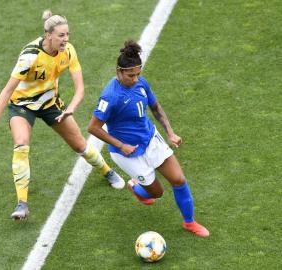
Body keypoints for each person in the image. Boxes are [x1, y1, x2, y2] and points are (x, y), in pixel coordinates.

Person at [0, 10, 124, 221]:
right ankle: (22, 204)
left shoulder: (69, 52)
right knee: (21, 145)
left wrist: (71, 107)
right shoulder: (30, 56)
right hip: (22, 105)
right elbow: (7, 90)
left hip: (50, 103)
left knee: (79, 145)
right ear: (49, 36)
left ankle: (107, 171)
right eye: (61, 35)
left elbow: (80, 88)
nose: (66, 39)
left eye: (67, 35)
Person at [87, 40, 209, 237]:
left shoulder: (141, 83)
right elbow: (92, 127)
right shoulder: (110, 96)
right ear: (119, 71)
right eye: (130, 75)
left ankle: (190, 222)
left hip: (151, 140)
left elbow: (155, 107)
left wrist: (170, 132)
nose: (135, 79)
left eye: (138, 74)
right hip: (127, 153)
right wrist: (121, 145)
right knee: (156, 193)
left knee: (178, 179)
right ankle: (136, 186)